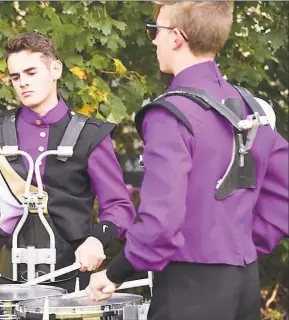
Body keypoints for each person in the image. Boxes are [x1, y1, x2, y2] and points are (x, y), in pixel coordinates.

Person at [86, 2, 289, 320]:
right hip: (245, 283)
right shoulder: (254, 108)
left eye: (156, 31)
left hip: (188, 290)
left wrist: (114, 273)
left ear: (177, 37)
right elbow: (284, 195)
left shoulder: (170, 114)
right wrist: (243, 244)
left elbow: (161, 222)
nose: (153, 40)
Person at [0, 33, 136, 293]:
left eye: (31, 72)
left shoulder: (91, 134)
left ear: (55, 69)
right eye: (15, 77)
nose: (23, 83)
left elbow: (119, 206)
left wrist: (97, 240)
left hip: (72, 274)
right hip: (8, 277)